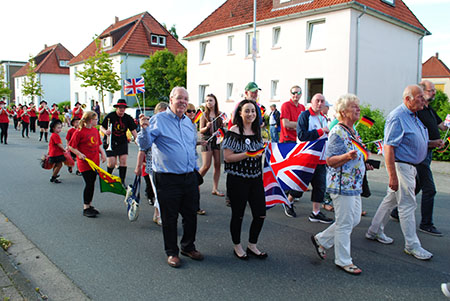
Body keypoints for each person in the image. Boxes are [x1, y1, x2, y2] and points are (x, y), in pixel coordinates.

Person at [366, 85, 436, 260]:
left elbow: (412, 140)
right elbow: (389, 148)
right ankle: (412, 245)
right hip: (402, 166)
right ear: (408, 99)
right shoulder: (397, 117)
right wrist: (392, 176)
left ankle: (374, 231)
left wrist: (431, 144)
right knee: (407, 204)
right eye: (419, 97)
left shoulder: (413, 115)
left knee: (390, 200)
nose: (423, 99)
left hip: (411, 166)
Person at [137, 87, 203, 268]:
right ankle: (172, 252)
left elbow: (191, 149)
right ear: (171, 99)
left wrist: (196, 172)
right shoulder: (158, 120)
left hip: (189, 176)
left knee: (191, 215)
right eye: (179, 98)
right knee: (169, 217)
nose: (183, 102)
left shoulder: (189, 123)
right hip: (167, 178)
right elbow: (144, 144)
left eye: (186, 99)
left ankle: (188, 246)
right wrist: (143, 129)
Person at [311, 94, 368, 275]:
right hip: (342, 184)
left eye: (358, 106)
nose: (358, 109)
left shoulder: (353, 131)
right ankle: (343, 260)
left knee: (355, 219)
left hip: (354, 184)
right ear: (343, 112)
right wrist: (346, 157)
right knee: (344, 223)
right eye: (354, 107)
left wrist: (364, 163)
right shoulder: (338, 132)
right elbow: (330, 160)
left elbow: (355, 154)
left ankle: (322, 239)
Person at [390, 80, 447, 236]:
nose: (434, 92)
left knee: (418, 185)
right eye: (431, 90)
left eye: (435, 90)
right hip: (418, 156)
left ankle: (395, 212)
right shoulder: (416, 111)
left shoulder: (428, 109)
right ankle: (426, 223)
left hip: (427, 154)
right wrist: (431, 143)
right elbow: (414, 138)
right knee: (430, 189)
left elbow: (442, 126)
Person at [223, 99, 267, 260]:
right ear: (240, 113)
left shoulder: (257, 131)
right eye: (247, 111)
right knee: (238, 214)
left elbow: (260, 152)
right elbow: (227, 157)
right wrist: (247, 154)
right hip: (237, 179)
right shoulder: (233, 131)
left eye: (253, 111)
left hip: (255, 178)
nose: (251, 114)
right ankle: (237, 246)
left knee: (260, 213)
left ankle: (252, 244)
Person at [296, 93, 333, 223]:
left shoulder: (323, 117)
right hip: (307, 157)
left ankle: (315, 212)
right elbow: (301, 135)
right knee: (300, 184)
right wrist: (321, 131)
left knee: (320, 186)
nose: (319, 103)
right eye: (317, 100)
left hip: (321, 158)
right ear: (311, 102)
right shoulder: (305, 116)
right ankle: (288, 201)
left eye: (322, 101)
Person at [134, 101, 169, 226]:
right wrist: (138, 167)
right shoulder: (150, 127)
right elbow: (142, 148)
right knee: (158, 191)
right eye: (160, 113)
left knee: (162, 192)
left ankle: (156, 214)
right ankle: (160, 215)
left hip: (167, 166)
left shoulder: (169, 127)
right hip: (152, 165)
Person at [68, 111, 106, 218]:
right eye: (95, 119)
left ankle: (89, 205)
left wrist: (103, 154)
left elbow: (98, 144)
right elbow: (71, 146)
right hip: (85, 163)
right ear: (90, 120)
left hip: (94, 162)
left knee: (92, 183)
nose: (97, 121)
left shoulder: (95, 130)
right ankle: (86, 207)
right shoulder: (79, 132)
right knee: (89, 183)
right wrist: (79, 154)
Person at [279, 85, 306, 217]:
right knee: (286, 170)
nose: (296, 95)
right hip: (286, 141)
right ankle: (284, 196)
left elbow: (301, 125)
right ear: (290, 94)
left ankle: (289, 194)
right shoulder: (285, 105)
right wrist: (300, 125)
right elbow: (286, 124)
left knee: (295, 170)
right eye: (293, 93)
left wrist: (297, 125)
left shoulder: (302, 108)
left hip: (298, 142)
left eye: (298, 93)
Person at [100, 99, 137, 185]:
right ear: (117, 108)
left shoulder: (128, 118)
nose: (121, 110)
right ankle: (109, 177)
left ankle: (122, 180)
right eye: (120, 108)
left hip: (122, 141)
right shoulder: (110, 116)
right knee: (112, 163)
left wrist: (136, 138)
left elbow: (133, 130)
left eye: (123, 108)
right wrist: (105, 132)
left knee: (123, 160)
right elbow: (102, 127)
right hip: (111, 141)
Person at [199, 94, 224, 197]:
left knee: (217, 164)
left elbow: (222, 128)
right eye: (207, 101)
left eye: (210, 100)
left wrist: (222, 128)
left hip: (217, 140)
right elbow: (201, 130)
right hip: (207, 140)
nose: (209, 102)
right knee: (206, 165)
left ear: (215, 102)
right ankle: (194, 183)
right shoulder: (204, 115)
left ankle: (215, 188)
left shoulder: (219, 115)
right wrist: (206, 127)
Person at [48, 119, 66, 183]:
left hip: (53, 153)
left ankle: (54, 174)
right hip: (56, 153)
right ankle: (53, 176)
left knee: (56, 165)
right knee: (59, 165)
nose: (60, 129)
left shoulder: (53, 135)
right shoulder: (55, 135)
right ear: (53, 128)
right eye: (58, 128)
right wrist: (64, 150)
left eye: (60, 128)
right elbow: (59, 144)